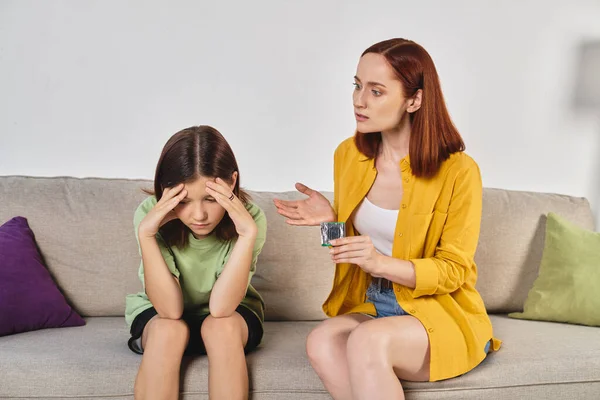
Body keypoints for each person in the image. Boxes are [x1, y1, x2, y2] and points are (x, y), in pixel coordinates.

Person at [274, 38, 501, 400]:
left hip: (439, 312)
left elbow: (455, 269)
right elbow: (354, 250)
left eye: (376, 91)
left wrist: (381, 262)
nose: (358, 100)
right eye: (357, 85)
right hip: (375, 302)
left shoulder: (459, 171)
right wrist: (330, 221)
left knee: (367, 340)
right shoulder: (348, 156)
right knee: (320, 340)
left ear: (415, 100)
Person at [125, 125, 266, 400]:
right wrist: (147, 233)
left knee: (220, 327)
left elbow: (222, 308)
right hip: (164, 313)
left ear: (232, 182)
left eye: (211, 199)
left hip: (230, 315)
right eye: (185, 201)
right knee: (169, 330)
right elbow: (170, 310)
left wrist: (247, 234)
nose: (199, 215)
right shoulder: (147, 215)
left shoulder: (250, 218)